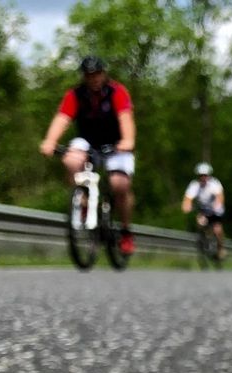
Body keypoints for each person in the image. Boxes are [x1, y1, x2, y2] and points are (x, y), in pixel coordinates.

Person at [40, 56, 137, 255]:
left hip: (116, 145)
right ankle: (83, 201)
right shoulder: (76, 95)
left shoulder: (116, 92)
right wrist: (50, 140)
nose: (93, 79)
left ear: (104, 73)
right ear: (84, 76)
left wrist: (127, 141)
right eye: (89, 75)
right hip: (88, 142)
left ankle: (126, 231)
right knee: (71, 160)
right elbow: (62, 119)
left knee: (119, 184)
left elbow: (125, 118)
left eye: (97, 74)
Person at [182, 162, 226, 265]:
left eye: (205, 175)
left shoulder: (214, 184)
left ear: (209, 175)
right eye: (201, 175)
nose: (203, 177)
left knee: (217, 230)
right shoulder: (194, 185)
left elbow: (220, 196)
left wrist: (217, 205)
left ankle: (220, 249)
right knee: (200, 223)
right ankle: (202, 242)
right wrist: (186, 206)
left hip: (215, 211)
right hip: (203, 211)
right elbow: (187, 198)